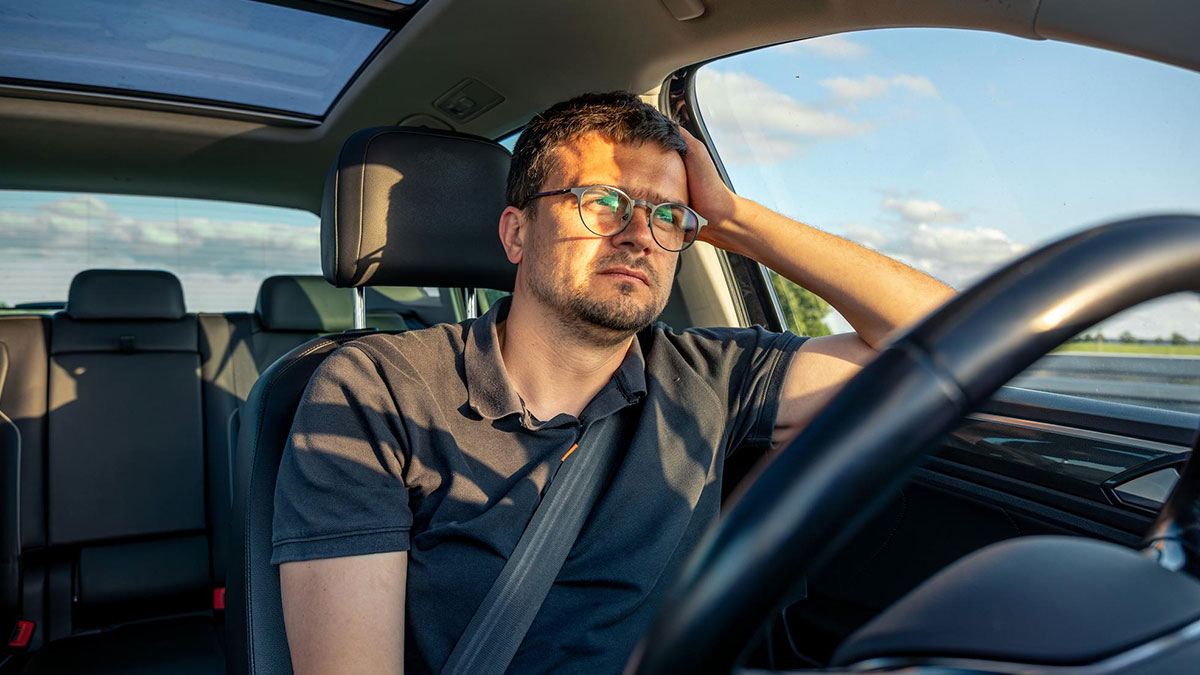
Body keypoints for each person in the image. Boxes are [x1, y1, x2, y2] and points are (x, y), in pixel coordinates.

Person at [272, 91, 953, 675]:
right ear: (516, 233)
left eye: (668, 215)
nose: (638, 235)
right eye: (602, 202)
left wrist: (735, 219)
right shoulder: (377, 388)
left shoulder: (714, 375)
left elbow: (948, 339)